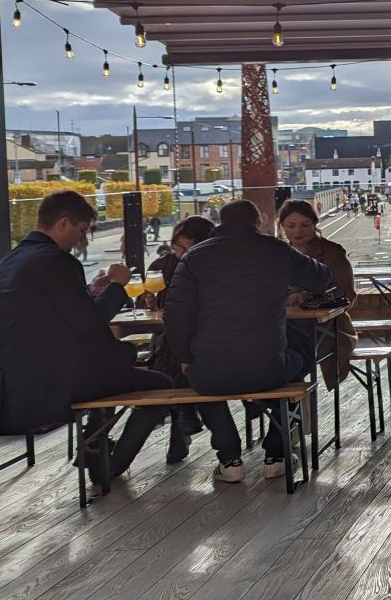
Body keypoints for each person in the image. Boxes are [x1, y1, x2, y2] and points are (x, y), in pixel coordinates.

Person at [0, 190, 171, 485]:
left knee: (117, 363)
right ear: (63, 223)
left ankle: (94, 443)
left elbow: (57, 314)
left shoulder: (12, 259)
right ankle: (110, 463)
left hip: (17, 383)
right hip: (57, 383)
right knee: (161, 386)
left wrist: (92, 293)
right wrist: (118, 286)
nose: (82, 240)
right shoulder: (57, 261)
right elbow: (90, 323)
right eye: (81, 230)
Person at [163, 199, 333, 483]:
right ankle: (276, 454)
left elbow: (174, 314)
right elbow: (322, 278)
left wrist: (185, 358)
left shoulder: (195, 257)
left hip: (209, 372)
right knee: (299, 357)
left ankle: (229, 458)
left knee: (199, 379)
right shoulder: (276, 250)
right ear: (259, 222)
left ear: (220, 222)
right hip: (268, 370)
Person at [147, 215, 215, 463]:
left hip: (204, 341)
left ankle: (181, 417)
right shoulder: (160, 266)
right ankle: (185, 416)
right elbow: (144, 302)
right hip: (173, 337)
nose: (179, 254)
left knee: (174, 359)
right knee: (174, 352)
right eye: (176, 248)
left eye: (186, 249)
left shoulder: (212, 269)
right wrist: (148, 301)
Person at [277, 200, 359, 393]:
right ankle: (285, 411)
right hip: (284, 326)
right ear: (282, 227)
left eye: (305, 225)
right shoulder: (275, 254)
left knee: (291, 355)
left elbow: (346, 295)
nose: (298, 231)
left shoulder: (332, 252)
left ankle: (290, 412)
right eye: (291, 226)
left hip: (328, 328)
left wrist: (307, 299)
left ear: (315, 224)